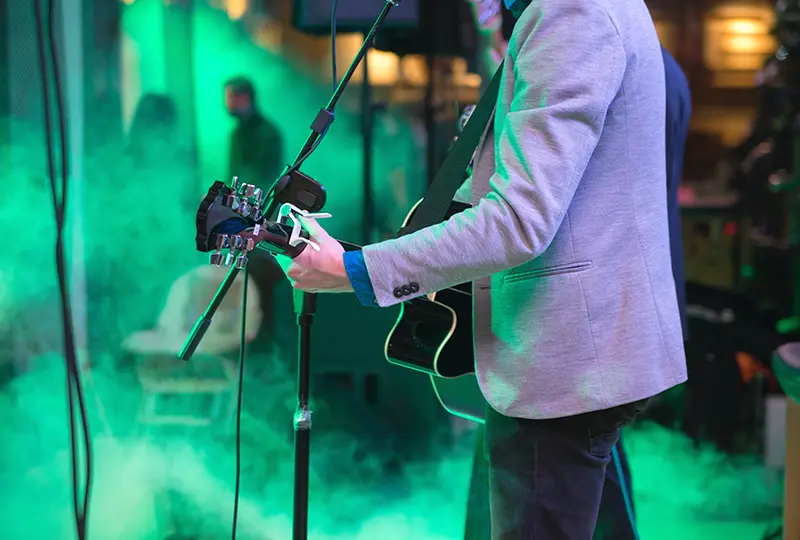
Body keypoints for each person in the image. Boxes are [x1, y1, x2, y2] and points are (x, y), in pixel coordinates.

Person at [272, 0, 687, 537]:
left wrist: (357, 271)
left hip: (562, 360)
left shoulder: (568, 13)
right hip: (579, 350)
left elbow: (518, 219)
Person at [224, 76, 284, 186]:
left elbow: (263, 177)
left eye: (231, 96)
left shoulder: (266, 133)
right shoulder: (237, 133)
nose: (227, 103)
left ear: (245, 98)